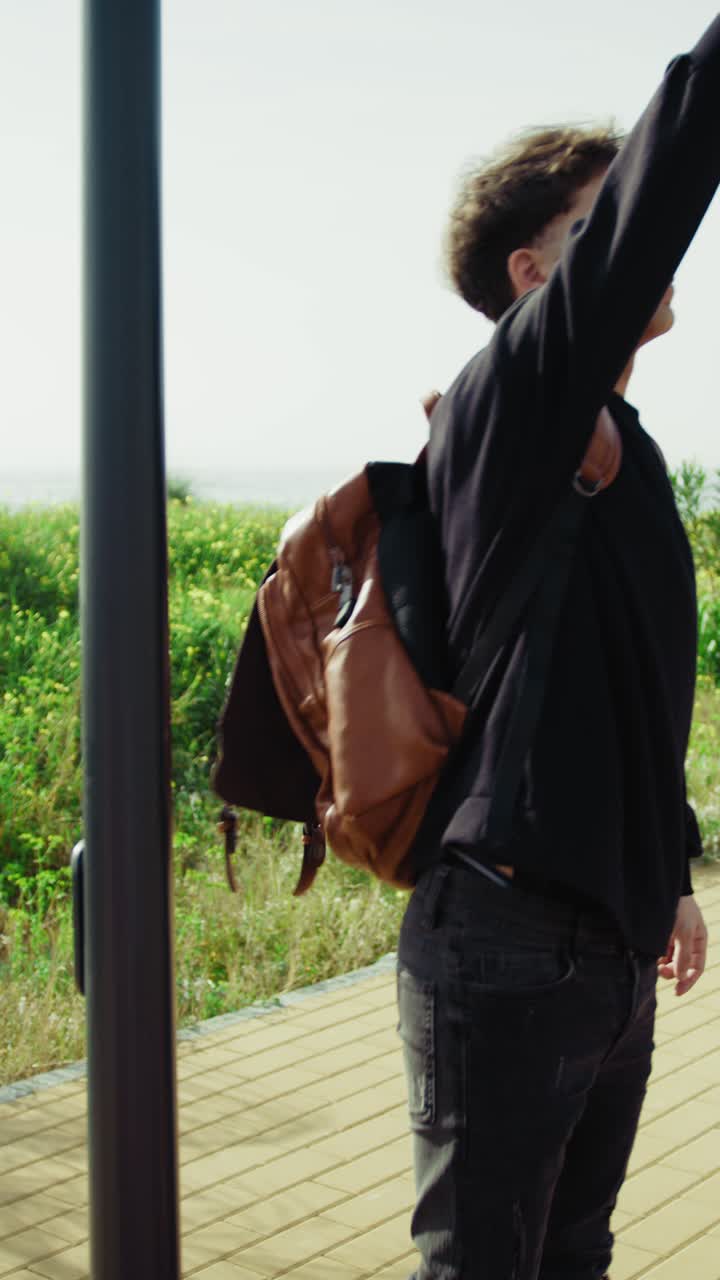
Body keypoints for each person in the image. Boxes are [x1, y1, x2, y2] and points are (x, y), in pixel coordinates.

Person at [397, 17, 717, 1280]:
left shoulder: (619, 448)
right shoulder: (511, 402)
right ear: (537, 277)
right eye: (605, 224)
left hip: (610, 943)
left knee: (574, 1253)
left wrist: (671, 870)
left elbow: (631, 686)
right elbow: (675, 167)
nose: (648, 238)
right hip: (505, 934)